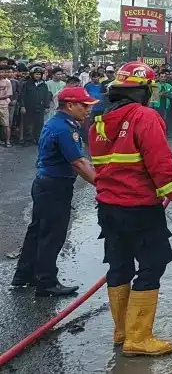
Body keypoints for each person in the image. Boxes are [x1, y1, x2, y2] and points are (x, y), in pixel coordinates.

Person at [89, 61, 172, 356]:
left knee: (119, 265)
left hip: (108, 206)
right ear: (144, 91)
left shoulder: (99, 120)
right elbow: (159, 162)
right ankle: (139, 337)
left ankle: (121, 331)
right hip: (139, 208)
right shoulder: (145, 116)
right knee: (153, 263)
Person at [11, 87, 97, 295]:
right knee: (52, 235)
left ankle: (25, 275)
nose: (88, 110)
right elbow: (79, 163)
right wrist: (103, 186)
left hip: (44, 184)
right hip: (55, 187)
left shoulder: (56, 123)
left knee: (37, 231)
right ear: (69, 105)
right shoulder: (65, 129)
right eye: (84, 106)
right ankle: (46, 283)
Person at [20, 66, 52, 146]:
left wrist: (47, 106)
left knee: (39, 124)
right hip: (29, 107)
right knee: (28, 125)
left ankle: (38, 139)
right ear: (32, 74)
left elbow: (46, 96)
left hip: (40, 107)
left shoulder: (43, 85)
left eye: (39, 74)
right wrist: (22, 106)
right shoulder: (26, 84)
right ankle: (27, 140)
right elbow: (22, 96)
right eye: (36, 74)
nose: (37, 76)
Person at [0, 65, 12, 147]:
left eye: (5, 72)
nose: (3, 73)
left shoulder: (7, 82)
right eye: (1, 72)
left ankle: (7, 141)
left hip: (3, 105)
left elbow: (8, 95)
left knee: (6, 124)